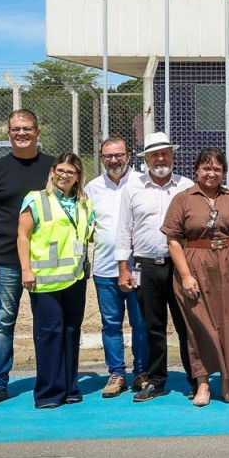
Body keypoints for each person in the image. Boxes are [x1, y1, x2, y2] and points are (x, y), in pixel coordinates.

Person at [0, 109, 54, 408]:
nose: (22, 133)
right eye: (16, 129)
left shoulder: (52, 167)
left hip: (45, 261)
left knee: (45, 323)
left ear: (37, 132)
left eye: (27, 128)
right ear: (9, 134)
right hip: (5, 261)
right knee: (3, 322)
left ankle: (50, 381)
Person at [162, 148, 229, 406]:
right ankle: (203, 384)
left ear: (223, 172)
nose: (211, 173)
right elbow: (173, 240)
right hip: (195, 266)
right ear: (196, 170)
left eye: (216, 168)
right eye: (206, 168)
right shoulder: (183, 199)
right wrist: (185, 275)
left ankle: (227, 383)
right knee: (199, 326)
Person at [116, 132, 195, 402]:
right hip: (146, 268)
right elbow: (124, 230)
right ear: (146, 159)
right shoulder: (133, 188)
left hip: (179, 268)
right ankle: (157, 380)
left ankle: (196, 379)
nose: (160, 159)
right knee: (153, 327)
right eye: (154, 155)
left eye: (165, 154)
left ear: (173, 156)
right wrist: (123, 269)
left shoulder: (186, 186)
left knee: (187, 326)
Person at [16, 153, 95, 409]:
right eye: (59, 170)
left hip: (75, 278)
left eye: (70, 172)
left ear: (78, 177)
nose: (64, 175)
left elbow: (90, 233)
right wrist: (26, 270)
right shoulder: (36, 199)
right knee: (49, 333)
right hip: (44, 280)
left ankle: (70, 388)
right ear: (52, 172)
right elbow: (23, 236)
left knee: (71, 332)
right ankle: (49, 392)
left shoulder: (84, 202)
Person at [85, 137, 148, 398]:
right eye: (108, 156)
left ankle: (142, 371)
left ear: (129, 155)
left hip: (138, 268)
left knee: (140, 323)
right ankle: (117, 373)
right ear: (101, 158)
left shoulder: (142, 182)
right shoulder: (92, 188)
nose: (114, 160)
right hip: (104, 268)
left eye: (119, 155)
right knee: (111, 324)